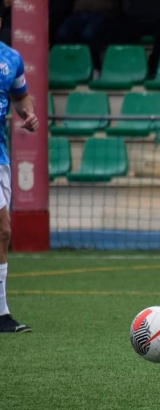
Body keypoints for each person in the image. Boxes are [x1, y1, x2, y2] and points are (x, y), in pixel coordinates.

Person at [0, 41, 39, 333]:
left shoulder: (11, 57)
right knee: (2, 229)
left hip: (1, 157)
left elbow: (21, 96)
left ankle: (1, 313)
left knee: (3, 233)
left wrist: (27, 113)